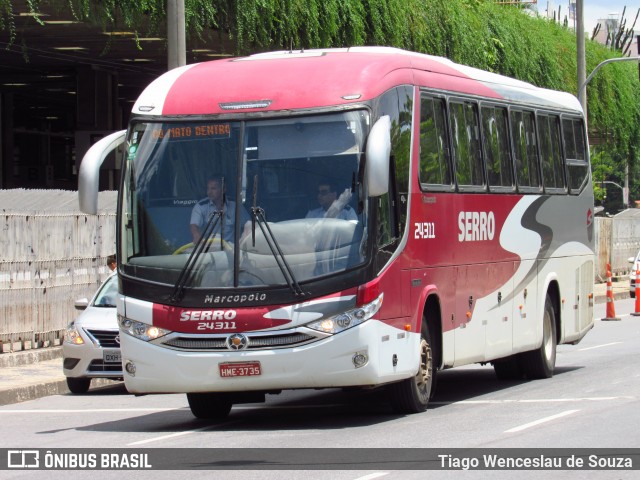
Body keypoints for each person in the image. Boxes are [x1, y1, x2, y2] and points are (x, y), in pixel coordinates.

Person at [190, 176, 251, 244]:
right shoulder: (201, 206)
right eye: (208, 188)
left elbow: (248, 225)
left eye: (213, 189)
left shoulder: (235, 206)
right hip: (208, 249)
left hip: (231, 251)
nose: (209, 192)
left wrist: (244, 241)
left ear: (223, 189)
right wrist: (196, 235)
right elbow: (194, 225)